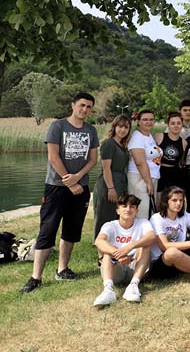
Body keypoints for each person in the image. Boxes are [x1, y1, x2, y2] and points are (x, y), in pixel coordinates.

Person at [21, 92, 100, 294]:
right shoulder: (58, 126)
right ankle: (36, 277)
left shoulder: (91, 130)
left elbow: (93, 159)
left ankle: (62, 269)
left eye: (89, 107)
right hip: (56, 187)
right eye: (82, 105)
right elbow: (53, 156)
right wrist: (68, 180)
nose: (85, 109)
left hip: (81, 187)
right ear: (73, 105)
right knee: (47, 229)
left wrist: (78, 177)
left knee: (71, 230)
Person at [92, 195, 156, 307]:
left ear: (136, 211)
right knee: (107, 252)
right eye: (124, 206)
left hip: (136, 267)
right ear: (118, 210)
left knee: (145, 245)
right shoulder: (110, 225)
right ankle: (108, 290)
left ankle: (133, 285)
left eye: (132, 207)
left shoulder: (143, 223)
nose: (128, 209)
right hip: (116, 269)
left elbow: (151, 237)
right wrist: (118, 255)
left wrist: (130, 247)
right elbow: (99, 241)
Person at [93, 115, 131, 239]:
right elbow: (106, 168)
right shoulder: (108, 143)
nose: (123, 130)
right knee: (105, 215)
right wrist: (110, 188)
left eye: (126, 127)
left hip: (120, 182)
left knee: (116, 215)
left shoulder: (123, 145)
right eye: (120, 126)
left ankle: (113, 242)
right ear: (114, 127)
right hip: (109, 183)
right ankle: (100, 242)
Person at [127, 109, 162, 219]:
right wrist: (148, 182)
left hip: (151, 177)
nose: (149, 122)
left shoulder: (149, 136)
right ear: (138, 121)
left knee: (150, 213)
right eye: (145, 119)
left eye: (151, 119)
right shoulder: (137, 137)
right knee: (142, 213)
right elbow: (140, 162)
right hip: (140, 178)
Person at [154, 112, 186, 194]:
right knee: (158, 198)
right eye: (173, 123)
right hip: (159, 172)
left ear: (182, 125)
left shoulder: (184, 142)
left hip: (174, 174)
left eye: (178, 123)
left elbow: (182, 161)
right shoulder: (159, 137)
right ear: (168, 125)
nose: (176, 126)